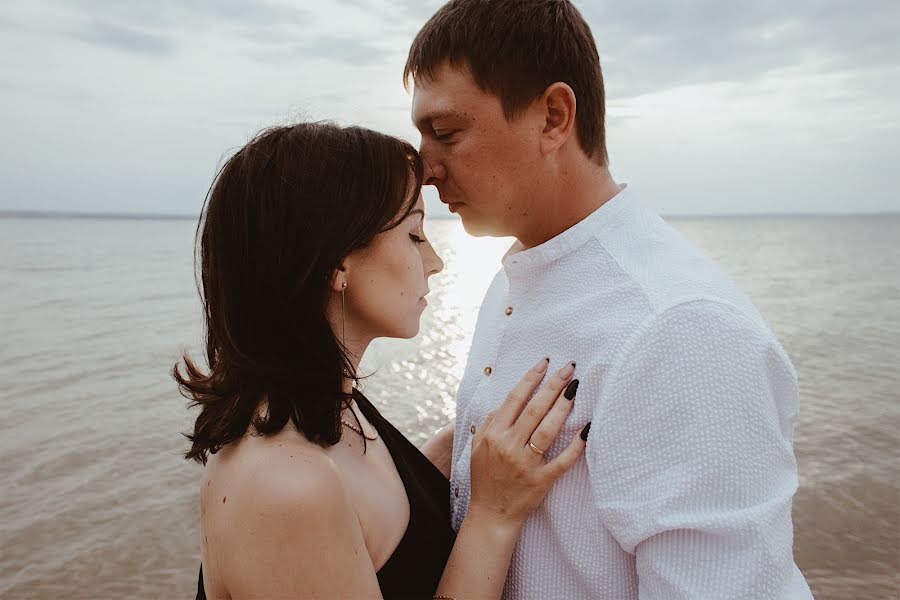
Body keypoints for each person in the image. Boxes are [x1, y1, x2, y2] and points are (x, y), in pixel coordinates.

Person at [404, 0, 814, 598]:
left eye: (445, 133)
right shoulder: (514, 276)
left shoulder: (681, 329)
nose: (426, 170)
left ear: (552, 117)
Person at [175, 121, 589, 600]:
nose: (435, 260)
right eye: (414, 233)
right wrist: (493, 517)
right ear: (337, 262)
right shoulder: (284, 486)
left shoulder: (326, 406)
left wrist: (488, 422)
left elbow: (397, 514)